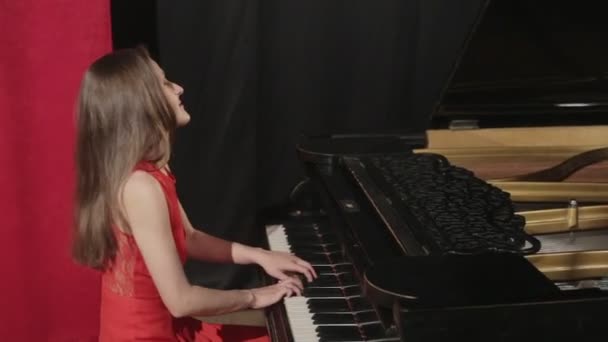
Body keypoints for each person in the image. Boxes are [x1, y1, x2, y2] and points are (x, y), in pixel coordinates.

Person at [72, 46, 316, 341]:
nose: (179, 88)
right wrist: (253, 296)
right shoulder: (140, 187)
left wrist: (260, 256)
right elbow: (181, 301)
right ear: (141, 104)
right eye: (164, 83)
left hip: (169, 329)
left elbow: (189, 238)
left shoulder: (153, 170)